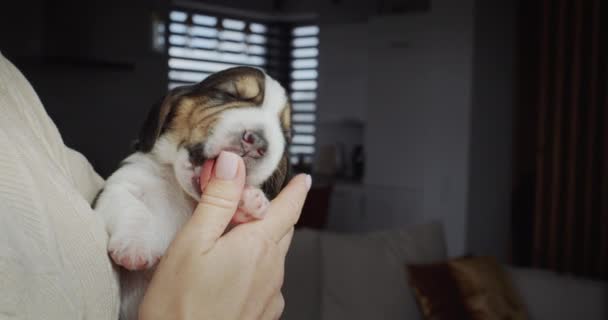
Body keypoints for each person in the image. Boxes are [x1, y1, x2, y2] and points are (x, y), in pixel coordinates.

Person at [0, 52, 311, 319]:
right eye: (230, 96)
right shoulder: (141, 172)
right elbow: (115, 197)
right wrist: (132, 226)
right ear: (174, 107)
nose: (255, 141)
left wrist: (238, 216)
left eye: (282, 131)